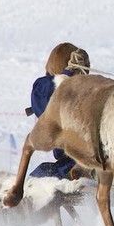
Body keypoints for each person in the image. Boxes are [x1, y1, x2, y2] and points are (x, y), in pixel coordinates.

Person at [28, 43, 91, 180]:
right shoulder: (45, 86)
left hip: (80, 160)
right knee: (43, 172)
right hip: (70, 162)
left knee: (40, 176)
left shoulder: (87, 89)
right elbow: (46, 99)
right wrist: (68, 74)